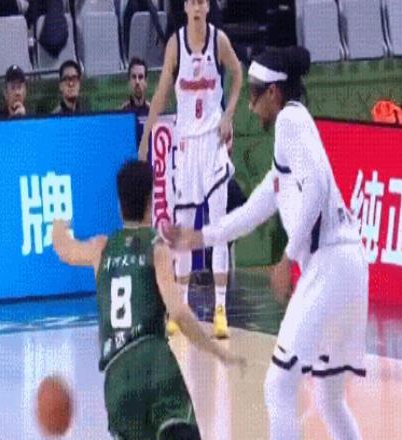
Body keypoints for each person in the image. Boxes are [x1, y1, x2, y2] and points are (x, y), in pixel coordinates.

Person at [164, 46, 368, 440]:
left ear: (274, 93)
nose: (250, 105)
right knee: (328, 398)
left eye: (254, 94)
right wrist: (198, 237)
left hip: (329, 264)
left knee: (279, 385)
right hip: (348, 265)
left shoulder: (290, 121)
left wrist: (286, 258)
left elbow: (317, 188)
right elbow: (252, 211)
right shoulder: (289, 145)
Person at [52, 160, 245, 440]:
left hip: (117, 378)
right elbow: (178, 313)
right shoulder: (156, 247)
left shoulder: (100, 249)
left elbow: (63, 249)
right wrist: (215, 350)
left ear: (119, 203)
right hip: (156, 366)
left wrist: (59, 225)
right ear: (151, 200)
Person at [138, 0, 243, 339]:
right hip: (185, 146)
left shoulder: (218, 41)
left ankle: (220, 309)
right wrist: (146, 138)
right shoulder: (176, 44)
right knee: (182, 231)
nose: (197, 7)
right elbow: (161, 93)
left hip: (212, 143)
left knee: (218, 229)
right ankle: (180, 308)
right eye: (192, 2)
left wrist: (228, 115)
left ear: (207, 7)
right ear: (185, 8)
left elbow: (238, 74)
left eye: (202, 2)